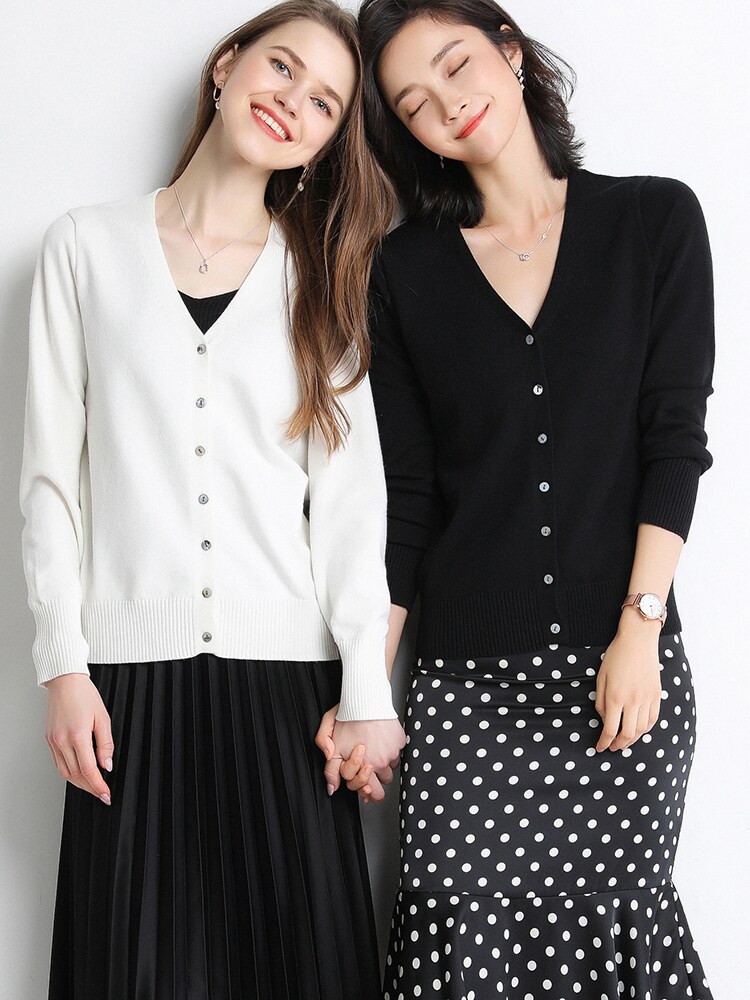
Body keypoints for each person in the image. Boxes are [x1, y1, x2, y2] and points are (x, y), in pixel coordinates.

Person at [20, 3, 405, 997]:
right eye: (282, 67)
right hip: (124, 693)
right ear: (228, 65)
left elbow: (350, 507)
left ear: (326, 142)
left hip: (289, 694)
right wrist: (63, 666)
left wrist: (366, 692)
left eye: (324, 102)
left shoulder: (323, 278)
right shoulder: (84, 247)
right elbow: (51, 483)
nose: (294, 101)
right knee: (132, 970)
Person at [331, 0, 715, 996]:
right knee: (451, 938)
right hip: (464, 685)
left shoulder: (655, 220)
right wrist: (366, 688)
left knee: (614, 932)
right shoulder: (403, 270)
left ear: (508, 49)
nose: (445, 103)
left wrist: (640, 631)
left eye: (455, 64)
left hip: (617, 671)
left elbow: (674, 444)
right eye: (412, 102)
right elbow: (409, 500)